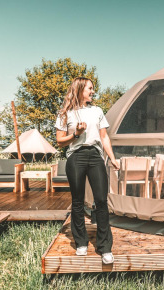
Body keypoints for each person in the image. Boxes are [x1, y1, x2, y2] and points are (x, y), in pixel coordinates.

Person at [55, 77, 119, 264]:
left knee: (101, 200)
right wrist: (76, 134)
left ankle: (105, 247)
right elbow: (60, 140)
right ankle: (81, 242)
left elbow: (104, 137)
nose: (93, 91)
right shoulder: (65, 113)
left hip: (95, 156)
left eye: (93, 89)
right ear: (80, 89)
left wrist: (112, 158)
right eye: (90, 88)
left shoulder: (97, 111)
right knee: (77, 201)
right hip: (76, 157)